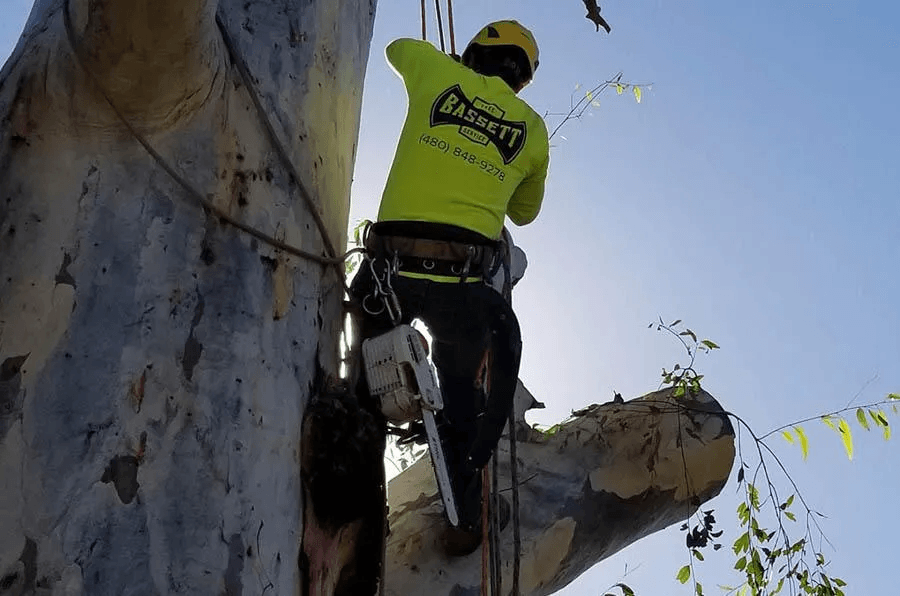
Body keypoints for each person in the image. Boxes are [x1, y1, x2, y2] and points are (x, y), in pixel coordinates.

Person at [351, 20, 550, 555]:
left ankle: (350, 465)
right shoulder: (532, 128)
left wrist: (449, 69)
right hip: (462, 285)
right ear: (524, 77)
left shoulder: (436, 72)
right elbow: (525, 215)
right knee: (464, 400)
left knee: (359, 382)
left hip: (386, 274)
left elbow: (397, 48)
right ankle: (464, 514)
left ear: (474, 53)